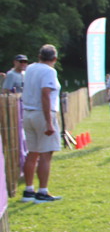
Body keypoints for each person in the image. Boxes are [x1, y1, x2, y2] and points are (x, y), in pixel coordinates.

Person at [20, 44, 62, 203]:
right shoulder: (49, 71)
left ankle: (28, 190)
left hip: (28, 113)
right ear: (54, 58)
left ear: (39, 56)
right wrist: (49, 122)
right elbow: (45, 94)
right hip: (42, 114)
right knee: (46, 153)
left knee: (32, 152)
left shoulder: (30, 68)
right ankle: (42, 191)